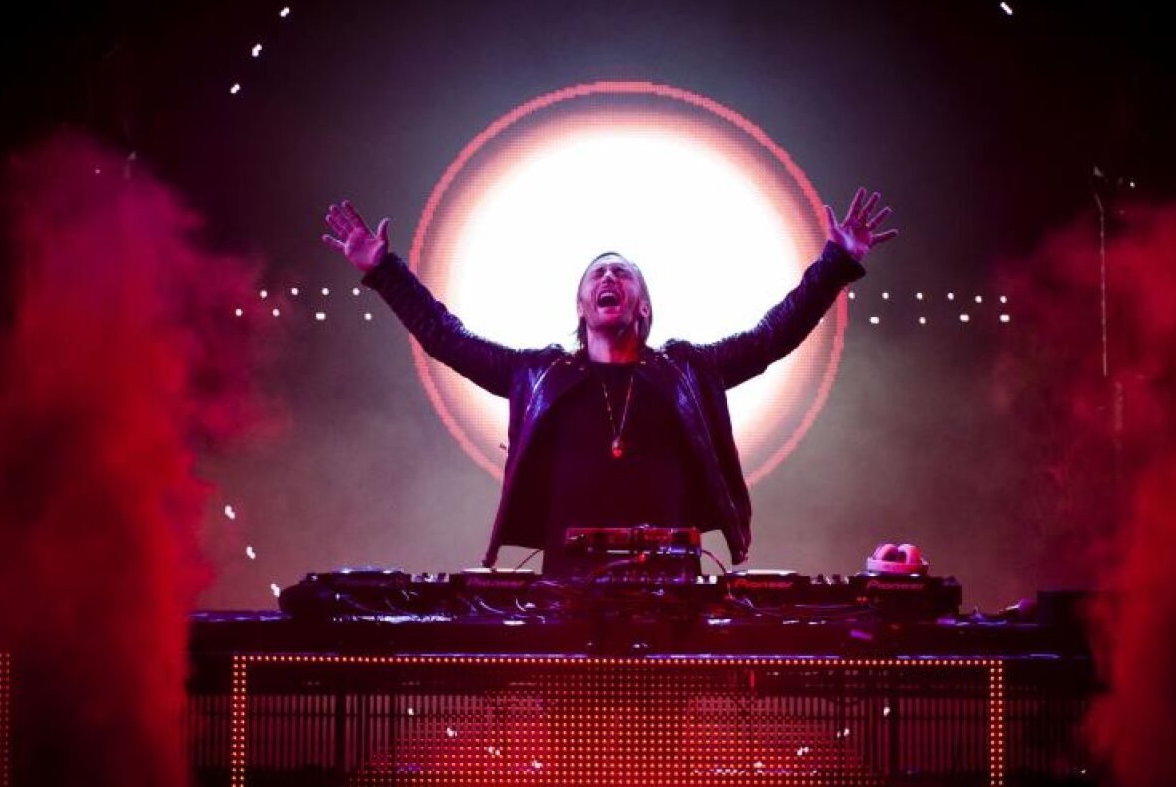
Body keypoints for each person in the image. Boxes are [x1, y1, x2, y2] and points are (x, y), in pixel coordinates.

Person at [322, 189, 896, 573]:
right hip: (569, 583)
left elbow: (772, 336)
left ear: (642, 304)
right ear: (582, 304)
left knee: (664, 719)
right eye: (598, 273)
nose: (609, 277)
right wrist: (384, 270)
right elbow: (446, 337)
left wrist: (836, 263)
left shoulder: (686, 371)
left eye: (623, 273)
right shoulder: (540, 374)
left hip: (668, 583)